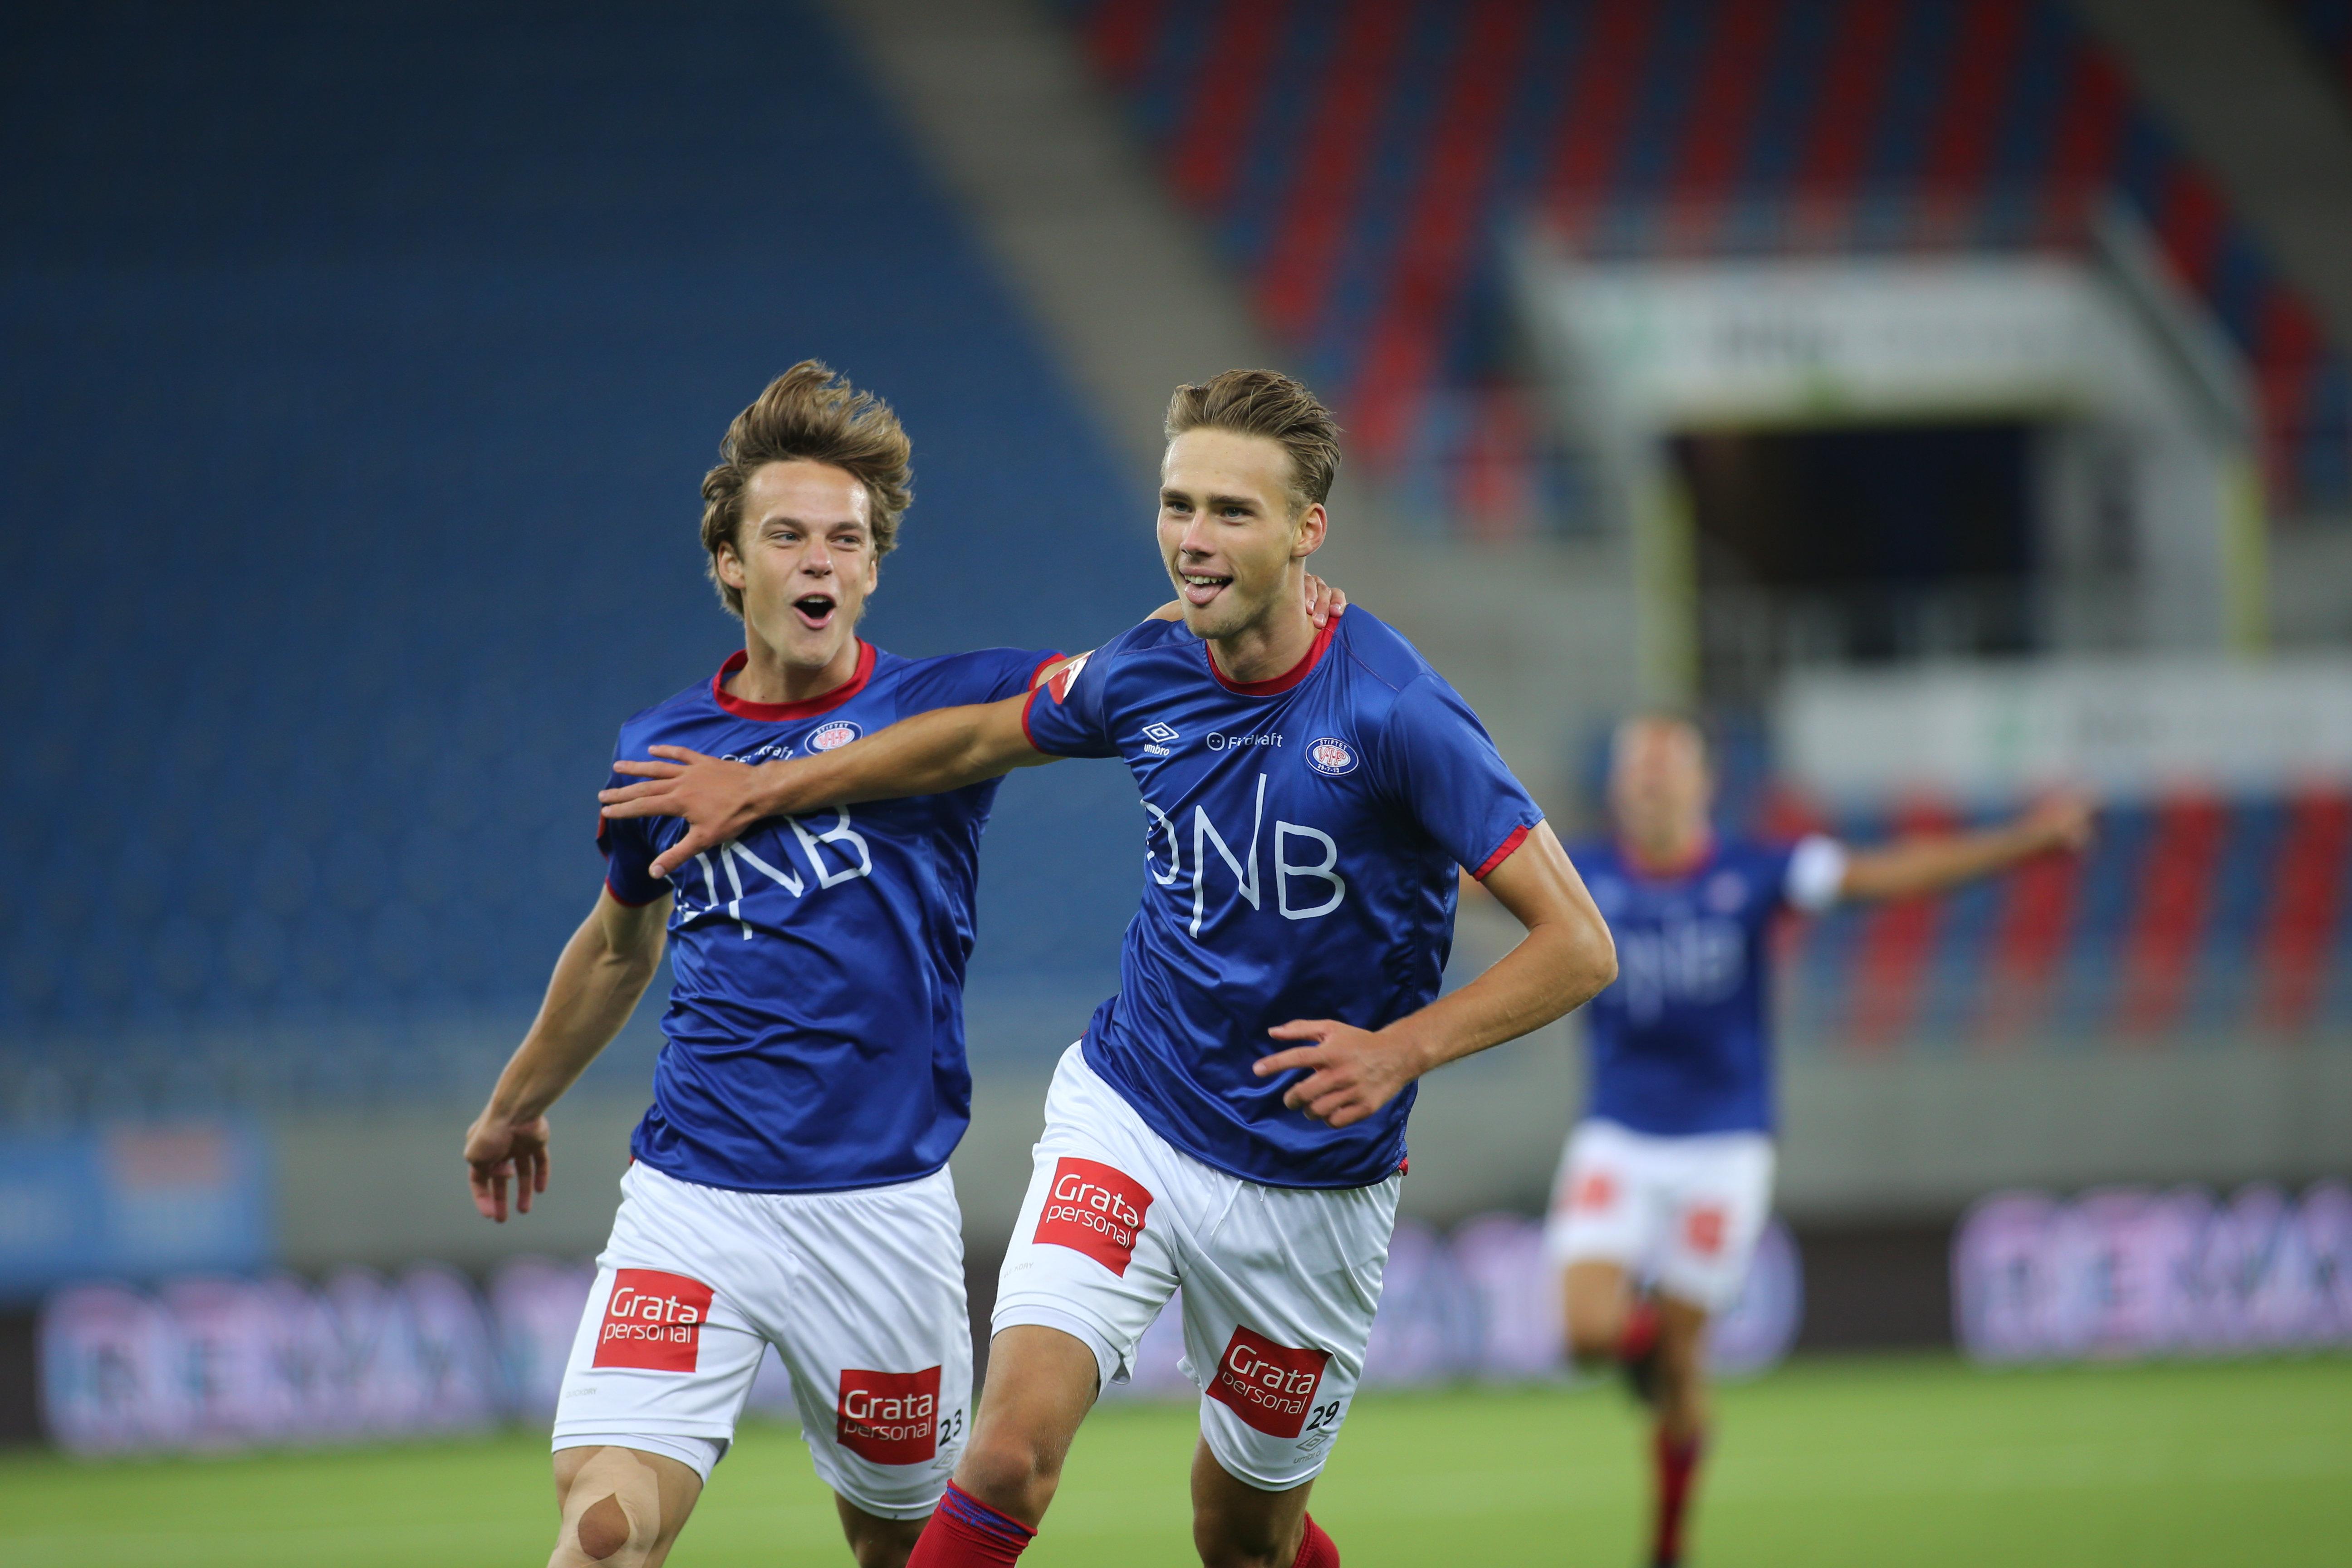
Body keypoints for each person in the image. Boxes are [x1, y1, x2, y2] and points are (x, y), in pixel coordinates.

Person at [598, 368, 1621, 1568]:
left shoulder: (1399, 714)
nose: (1193, 540)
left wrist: (1405, 1047)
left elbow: (1579, 944)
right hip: (1132, 1113)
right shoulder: (1149, 666)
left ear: (1308, 532)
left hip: (1312, 1181)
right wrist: (765, 784)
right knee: (1008, 1456)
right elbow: (980, 733)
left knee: (1242, 1537)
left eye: (1233, 513)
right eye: (1179, 504)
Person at [462, 360, 1345, 1568]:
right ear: (733, 564)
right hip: (692, 1202)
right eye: (786, 535)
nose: (818, 559)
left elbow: (1133, 664)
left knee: (910, 1550)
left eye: (845, 538)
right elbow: (621, 946)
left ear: (873, 567)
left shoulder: (947, 708)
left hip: (881, 1216)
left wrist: (1270, 591)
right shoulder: (661, 751)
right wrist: (516, 1106)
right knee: (607, 1531)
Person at [1549, 714, 2094, 1568]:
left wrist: (2025, 844)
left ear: (1705, 785)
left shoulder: (1756, 869)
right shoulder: (1579, 871)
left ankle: (1666, 1544)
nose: (1649, 783)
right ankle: (1643, 1339)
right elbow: (1452, 873)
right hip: (1619, 1133)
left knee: (1685, 1364)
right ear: (1617, 789)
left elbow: (1889, 876)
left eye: (1666, 768)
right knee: (1584, 1335)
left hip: (1725, 1143)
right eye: (1636, 770)